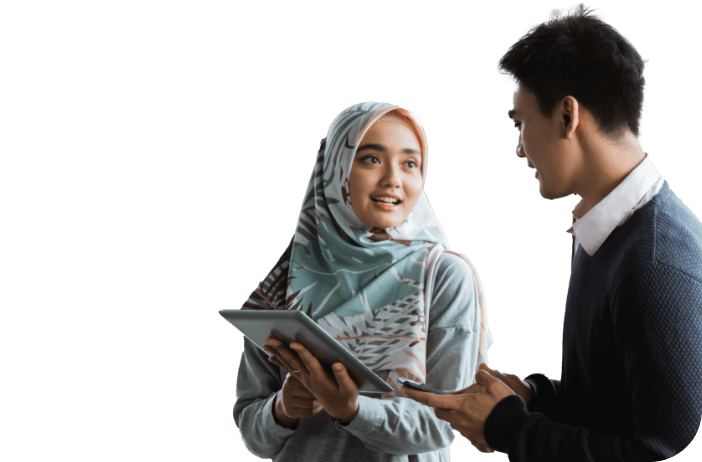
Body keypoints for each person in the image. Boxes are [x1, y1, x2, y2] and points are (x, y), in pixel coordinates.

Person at [402, 3, 702, 461]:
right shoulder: (606, 228)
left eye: (520, 124)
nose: (519, 149)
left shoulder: (655, 263)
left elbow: (654, 450)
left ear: (567, 115)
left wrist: (510, 429)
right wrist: (532, 400)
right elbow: (612, 404)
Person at [232, 101, 493, 461]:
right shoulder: (289, 277)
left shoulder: (442, 275)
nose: (393, 179)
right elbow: (253, 430)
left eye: (410, 163)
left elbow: (442, 423)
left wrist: (353, 410)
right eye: (371, 159)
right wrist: (282, 409)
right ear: (335, 168)